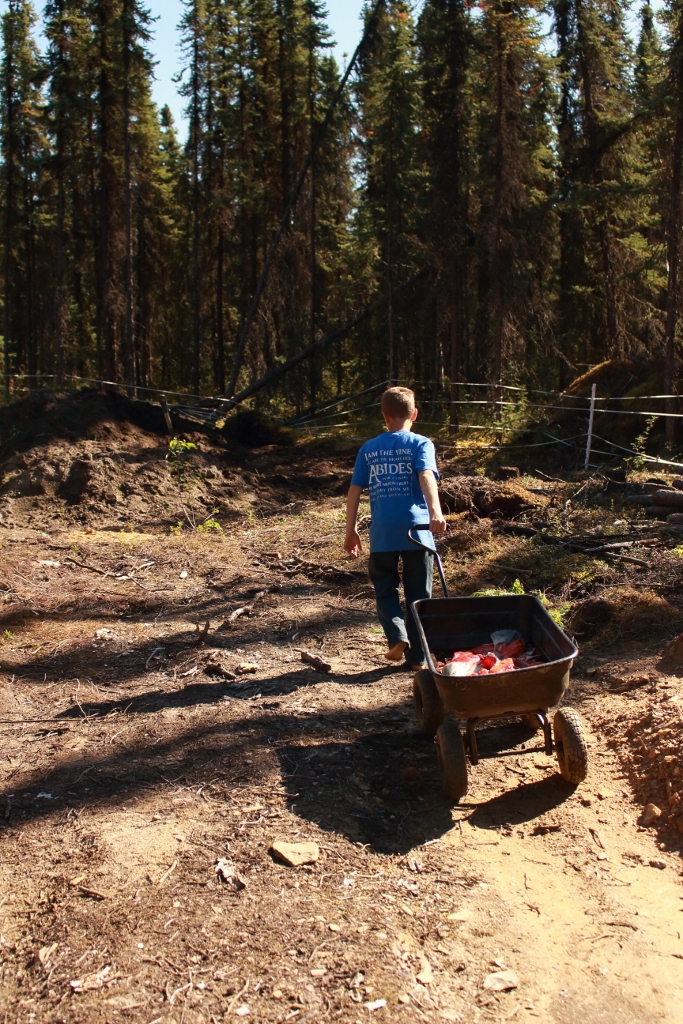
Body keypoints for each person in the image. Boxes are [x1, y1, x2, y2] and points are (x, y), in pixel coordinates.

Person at [344, 386, 447, 670]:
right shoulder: (421, 444)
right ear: (414, 414)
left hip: (382, 533)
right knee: (419, 595)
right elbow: (426, 474)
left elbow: (354, 490)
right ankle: (418, 659)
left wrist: (350, 530)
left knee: (385, 589)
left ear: (384, 416)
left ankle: (396, 637)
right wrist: (436, 511)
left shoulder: (369, 448)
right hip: (417, 530)